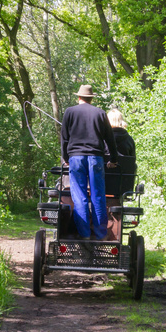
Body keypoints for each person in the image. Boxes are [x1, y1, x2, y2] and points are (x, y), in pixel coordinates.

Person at [61, 85, 118, 240]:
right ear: (92, 98)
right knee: (98, 196)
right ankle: (100, 235)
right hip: (96, 158)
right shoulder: (100, 113)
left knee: (79, 197)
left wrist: (65, 158)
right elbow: (110, 139)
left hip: (76, 158)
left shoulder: (70, 112)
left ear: (79, 97)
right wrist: (113, 159)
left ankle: (84, 234)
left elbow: (64, 139)